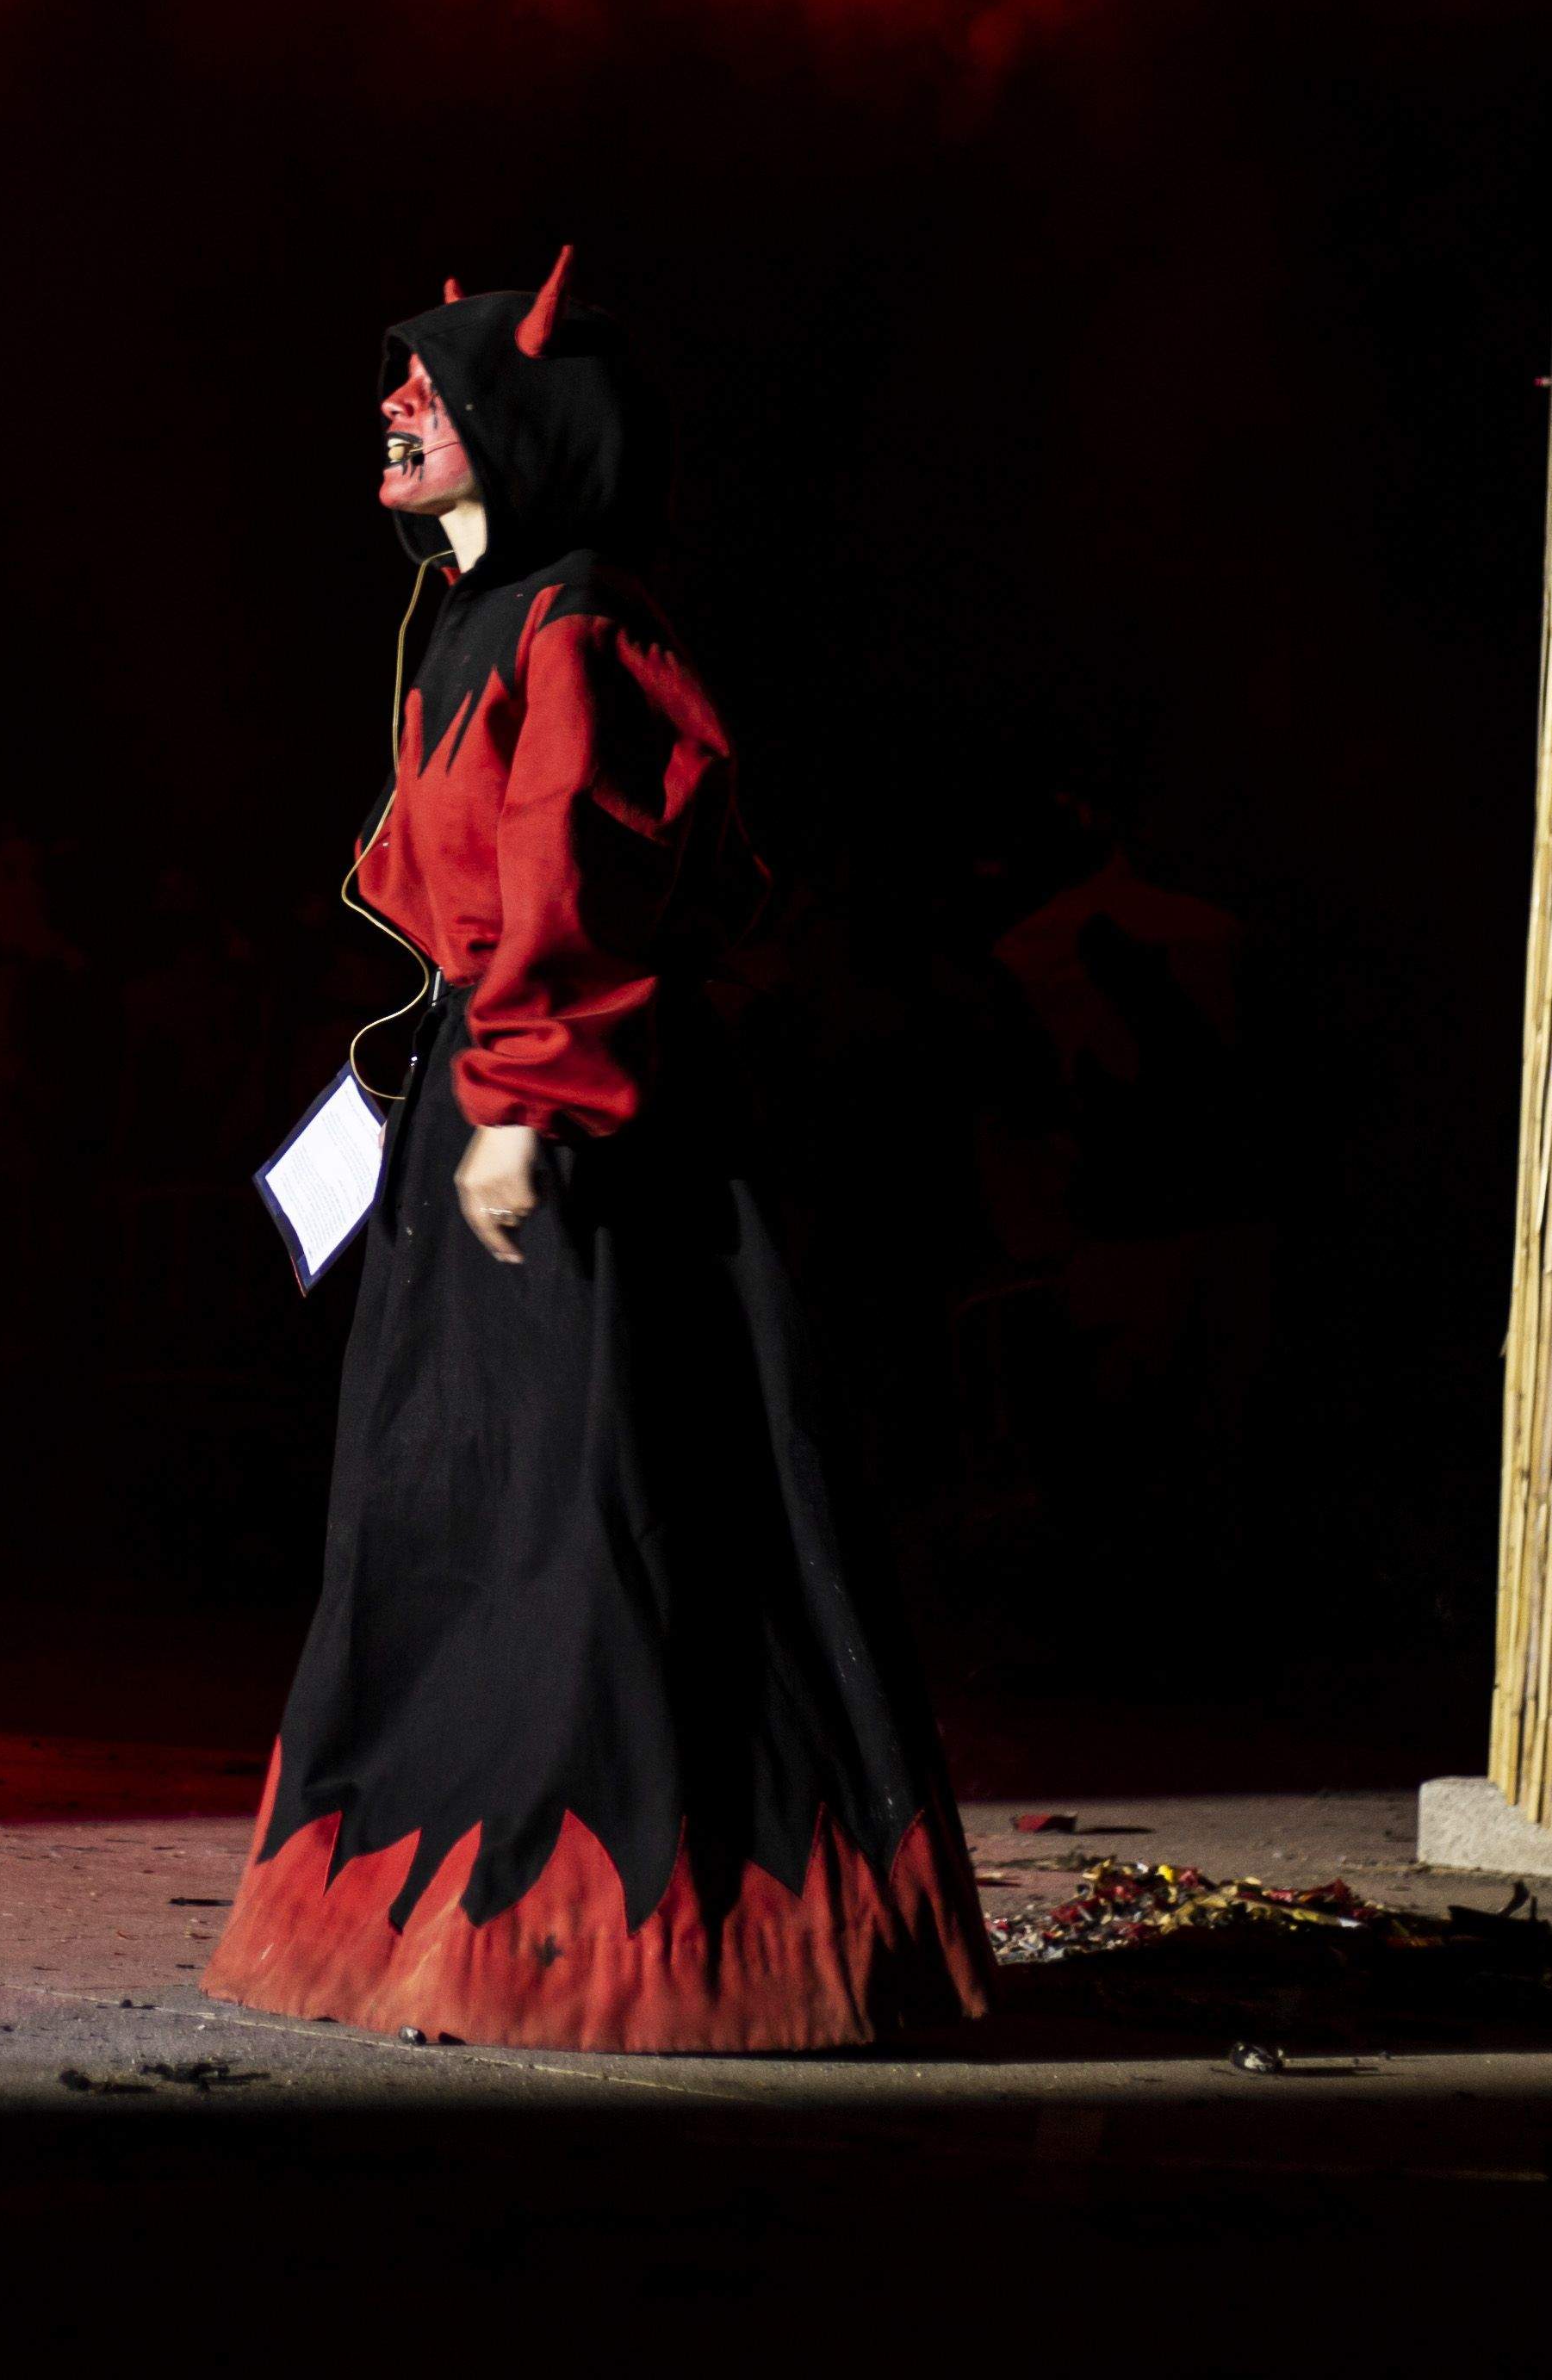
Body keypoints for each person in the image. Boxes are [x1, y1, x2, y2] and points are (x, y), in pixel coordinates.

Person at [202, 251, 996, 2051]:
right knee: (452, 1517)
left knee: (602, 1523)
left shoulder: (581, 626)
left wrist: (524, 1101)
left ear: (531, 428)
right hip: (482, 1111)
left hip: (585, 1133)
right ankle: (441, 1917)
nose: (392, 409)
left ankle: (636, 1944)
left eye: (432, 388)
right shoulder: (473, 627)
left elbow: (586, 861)